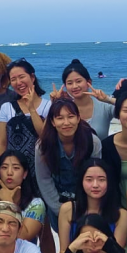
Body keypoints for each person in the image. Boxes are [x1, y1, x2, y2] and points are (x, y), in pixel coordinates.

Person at [34, 99, 100, 234]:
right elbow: (44, 179)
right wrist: (60, 210)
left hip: (86, 201)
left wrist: (89, 208)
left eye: (71, 117)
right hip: (57, 200)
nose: (66, 123)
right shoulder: (43, 146)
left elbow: (96, 177)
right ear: (52, 122)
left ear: (78, 118)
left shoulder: (92, 141)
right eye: (60, 118)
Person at [58, 159, 127, 253]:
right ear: (81, 182)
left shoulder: (121, 215)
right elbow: (63, 251)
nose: (95, 185)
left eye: (101, 179)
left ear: (109, 182)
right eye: (89, 179)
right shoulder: (68, 209)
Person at [0, 151, 45, 248]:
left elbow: (23, 237)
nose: (9, 172)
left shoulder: (36, 204)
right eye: (4, 167)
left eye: (16, 168)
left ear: (25, 174)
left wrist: (8, 202)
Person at [0, 59, 48, 162]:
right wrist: (0, 167)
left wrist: (32, 109)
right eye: (13, 79)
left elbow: (45, 137)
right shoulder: (7, 107)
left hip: (41, 166)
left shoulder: (49, 106)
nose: (18, 82)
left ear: (32, 77)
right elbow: (2, 142)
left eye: (21, 77)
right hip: (15, 168)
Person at [58, 59, 115, 138]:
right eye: (70, 83)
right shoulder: (64, 109)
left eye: (78, 81)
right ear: (65, 86)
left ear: (89, 82)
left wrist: (108, 99)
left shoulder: (104, 106)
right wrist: (55, 103)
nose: (74, 86)